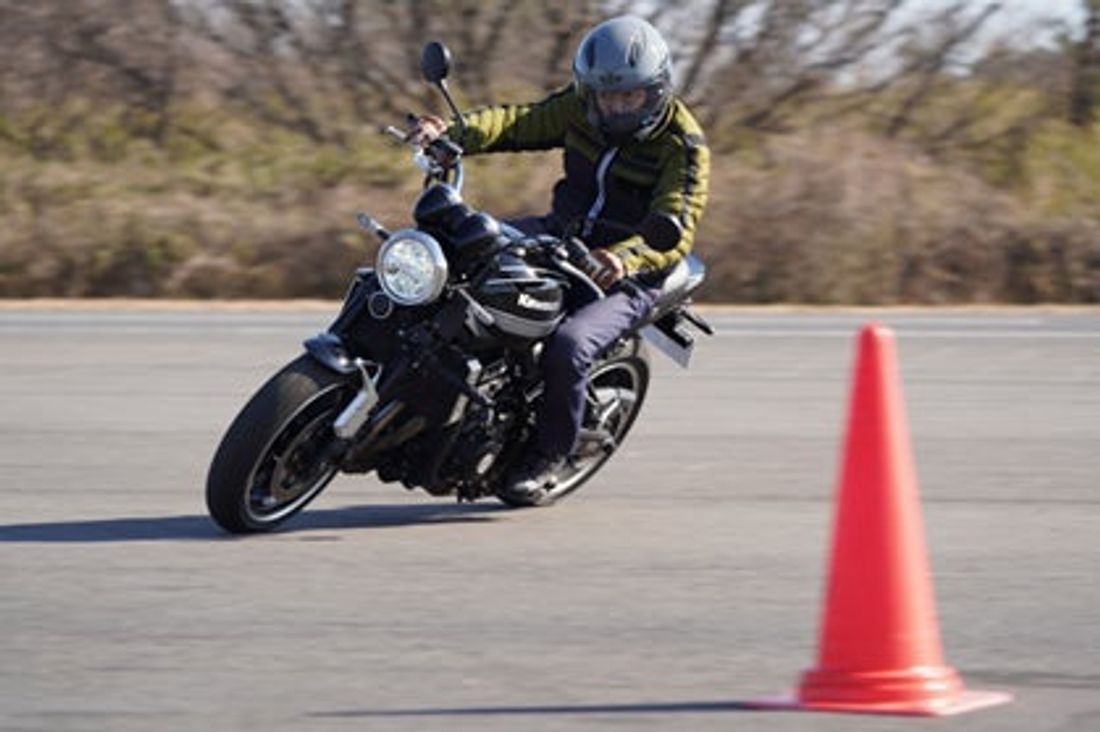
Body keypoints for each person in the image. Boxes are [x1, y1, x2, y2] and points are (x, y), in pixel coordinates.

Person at [408, 15, 710, 504]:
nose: (613, 107)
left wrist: (624, 258)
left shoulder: (683, 146)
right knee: (459, 247)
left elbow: (676, 225)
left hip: (634, 270)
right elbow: (517, 121)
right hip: (562, 233)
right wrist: (454, 136)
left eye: (628, 97)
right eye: (603, 96)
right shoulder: (579, 107)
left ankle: (550, 453)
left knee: (568, 347)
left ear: (655, 91)